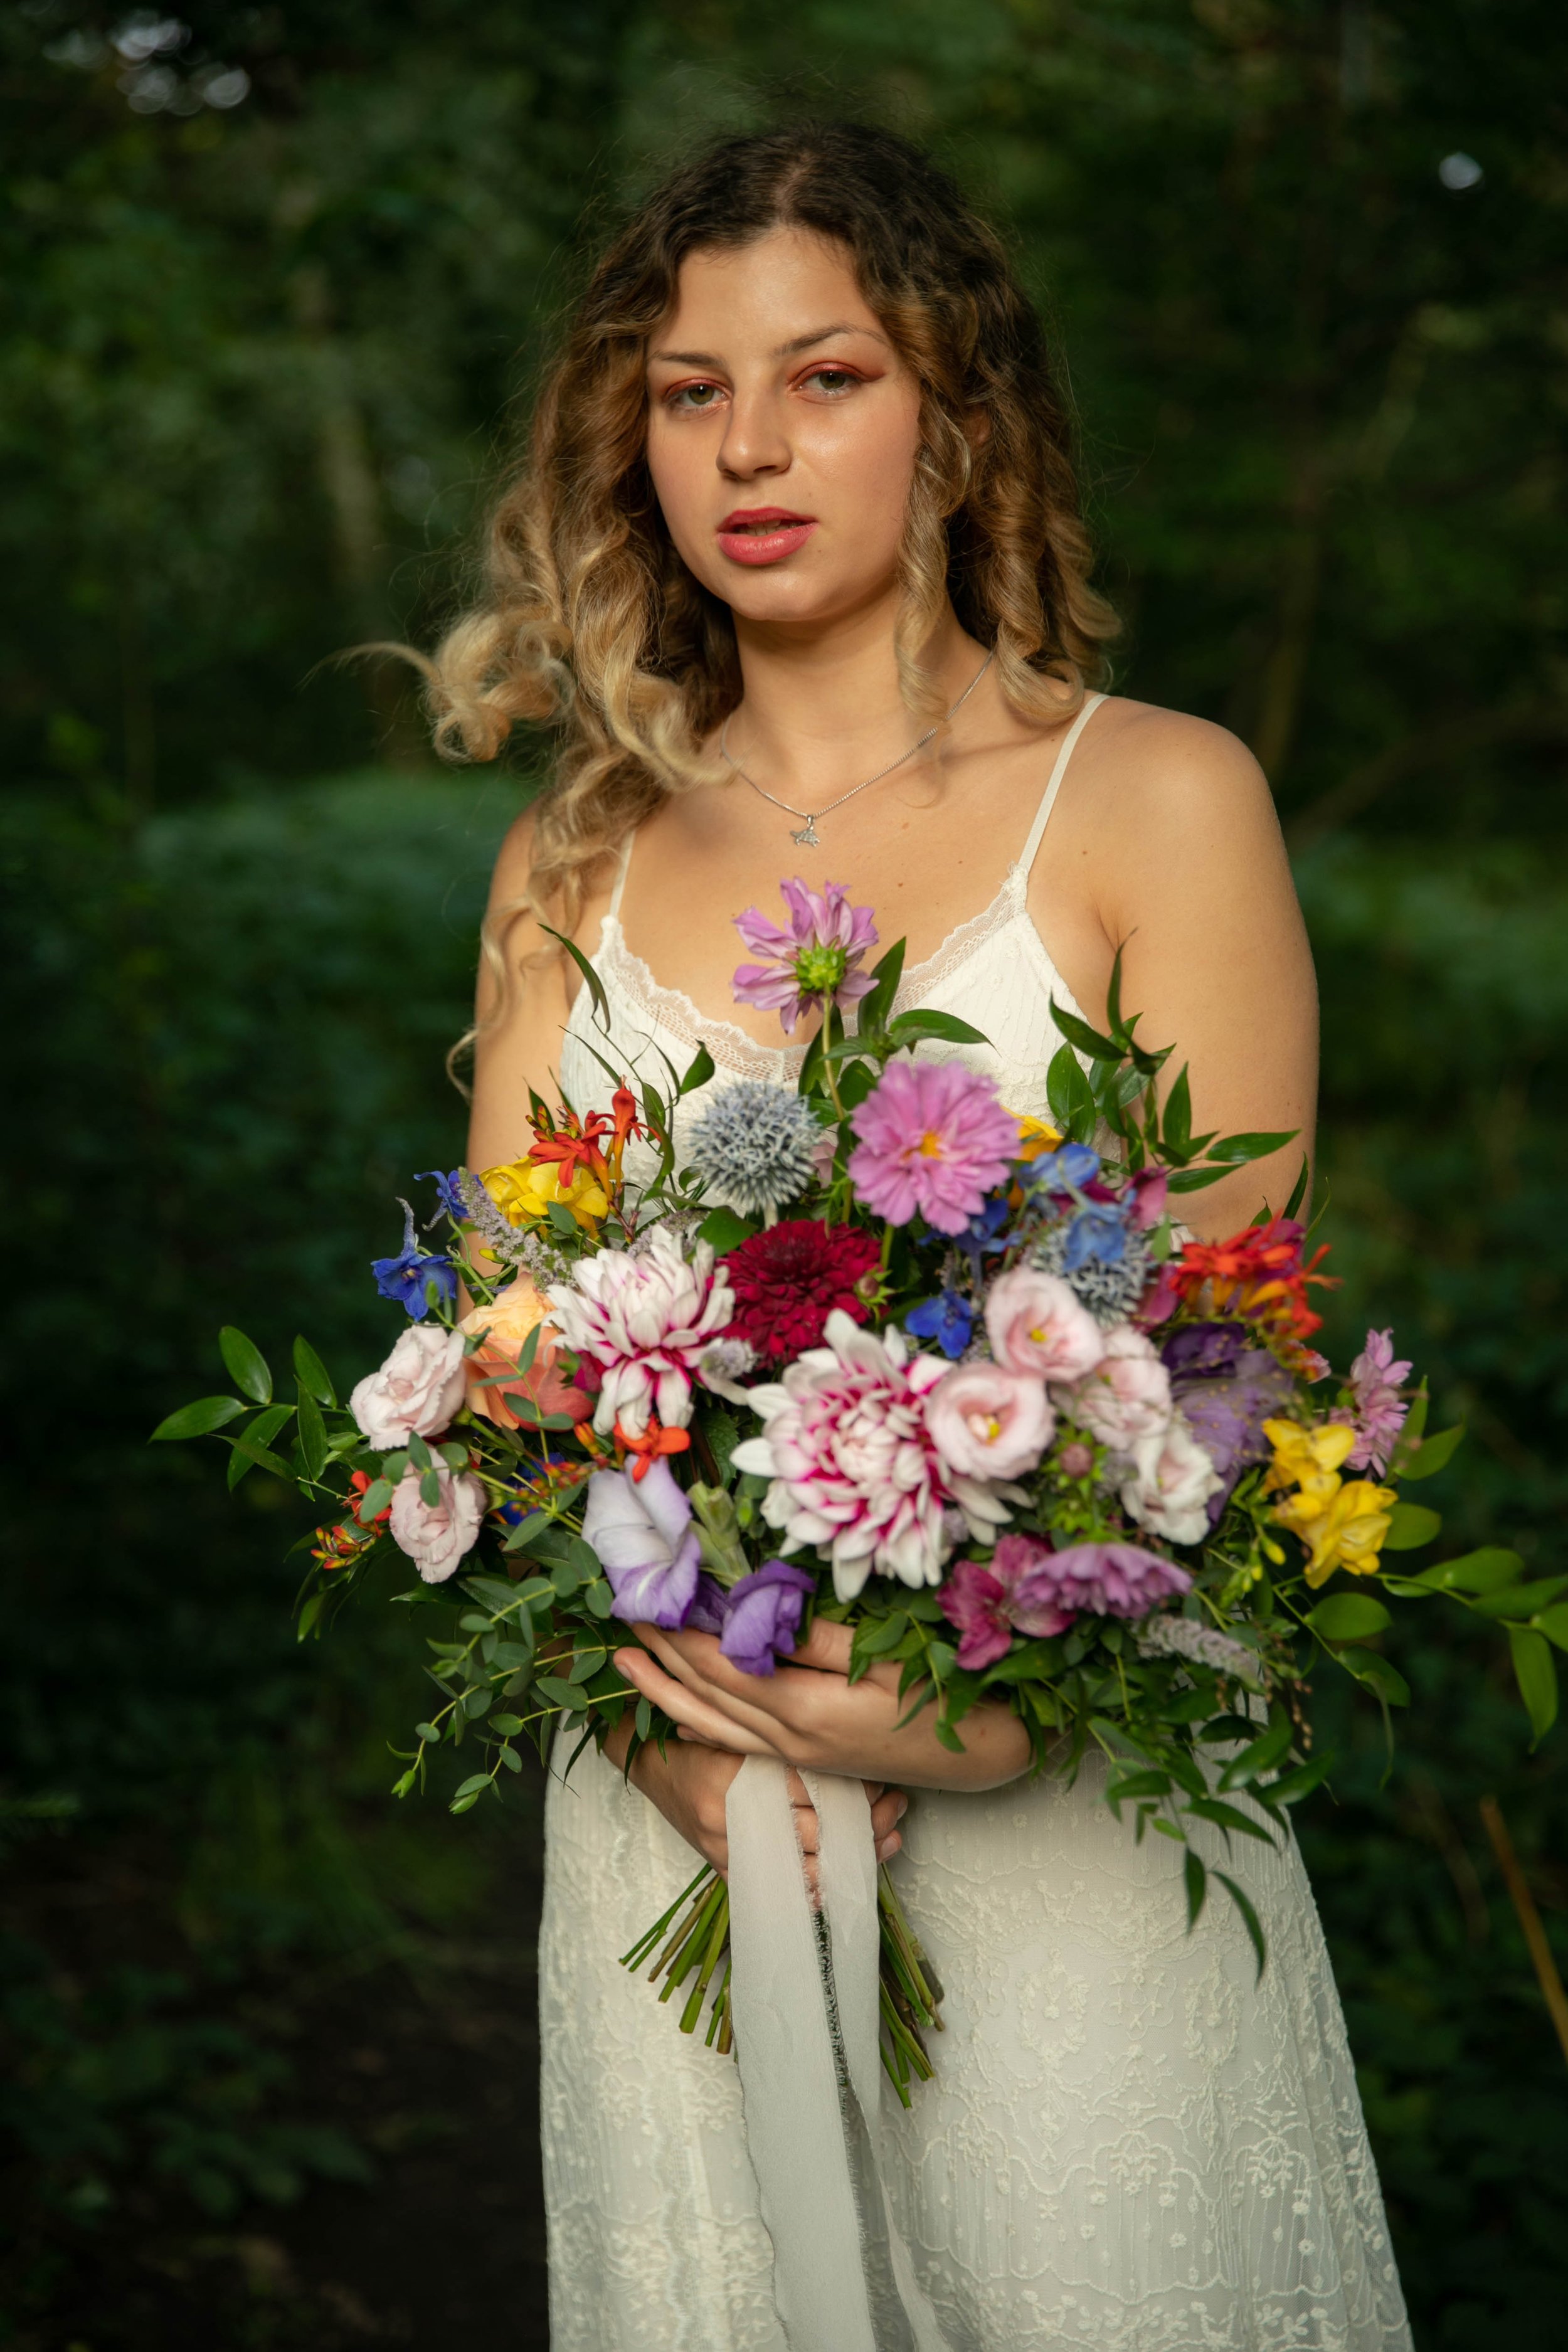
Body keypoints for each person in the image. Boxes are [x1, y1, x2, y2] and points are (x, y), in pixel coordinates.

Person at [432, 122, 1411, 2352]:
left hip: (1069, 1813)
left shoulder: (1160, 797)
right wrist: (668, 1732)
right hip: (693, 1811)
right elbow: (506, 1395)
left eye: (827, 376)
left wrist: (974, 1717)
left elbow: (1223, 1362)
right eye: (689, 392)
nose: (749, 447)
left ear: (957, 414)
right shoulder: (568, 859)